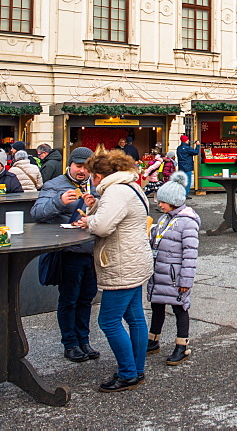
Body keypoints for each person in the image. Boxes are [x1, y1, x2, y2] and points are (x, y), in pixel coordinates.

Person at [73, 150, 153, 392]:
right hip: (135, 258)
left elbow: (104, 227)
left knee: (108, 320)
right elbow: (124, 217)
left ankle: (128, 373)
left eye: (91, 177)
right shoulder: (130, 186)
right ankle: (136, 370)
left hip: (121, 263)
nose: (90, 181)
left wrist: (89, 221)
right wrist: (96, 206)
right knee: (135, 317)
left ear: (98, 175)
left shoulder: (115, 191)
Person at [31, 146, 102, 364]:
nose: (82, 171)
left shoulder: (97, 185)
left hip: (91, 251)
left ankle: (84, 341)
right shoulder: (54, 185)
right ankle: (70, 343)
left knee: (86, 299)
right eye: (78, 166)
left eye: (86, 168)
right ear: (69, 165)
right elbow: (37, 213)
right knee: (69, 299)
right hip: (69, 252)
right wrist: (59, 201)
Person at [146, 172, 200, 366]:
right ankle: (153, 340)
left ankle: (182, 345)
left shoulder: (187, 222)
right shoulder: (164, 219)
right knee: (157, 306)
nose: (159, 205)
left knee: (179, 308)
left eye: (163, 202)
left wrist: (186, 280)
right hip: (160, 272)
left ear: (175, 201)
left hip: (175, 276)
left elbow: (190, 254)